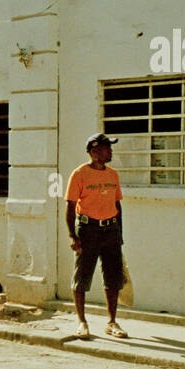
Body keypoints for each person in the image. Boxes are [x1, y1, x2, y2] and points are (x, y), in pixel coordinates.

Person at [65, 133, 127, 340]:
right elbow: (71, 206)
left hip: (110, 230)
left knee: (113, 277)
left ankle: (112, 322)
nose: (110, 151)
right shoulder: (79, 174)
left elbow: (117, 205)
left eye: (110, 148)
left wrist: (120, 233)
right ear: (94, 151)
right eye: (106, 148)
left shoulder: (112, 175)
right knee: (82, 276)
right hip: (88, 230)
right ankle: (82, 321)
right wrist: (73, 236)